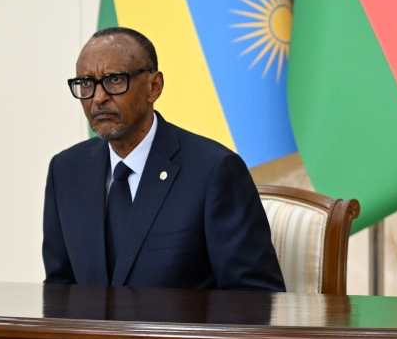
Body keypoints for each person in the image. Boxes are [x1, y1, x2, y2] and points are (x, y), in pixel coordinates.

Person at [43, 27, 285, 291]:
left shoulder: (213, 170)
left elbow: (254, 296)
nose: (98, 98)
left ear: (154, 87)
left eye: (114, 80)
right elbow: (59, 291)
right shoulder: (65, 171)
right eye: (86, 84)